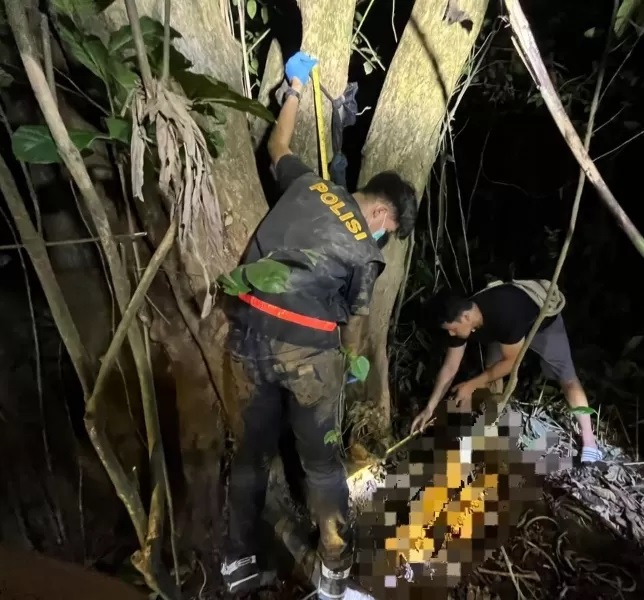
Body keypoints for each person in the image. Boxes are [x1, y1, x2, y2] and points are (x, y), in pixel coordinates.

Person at [222, 51, 417, 596]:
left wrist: (293, 92)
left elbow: (275, 146)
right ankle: (334, 569)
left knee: (252, 455)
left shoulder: (308, 184)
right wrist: (351, 366)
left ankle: (236, 564)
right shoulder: (365, 249)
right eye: (389, 230)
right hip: (309, 360)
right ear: (382, 216)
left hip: (247, 339)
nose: (384, 239)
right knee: (323, 465)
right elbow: (354, 324)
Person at [410, 279, 602, 463]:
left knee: (567, 378)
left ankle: (590, 442)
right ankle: (493, 424)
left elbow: (512, 363)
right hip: (505, 333)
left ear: (466, 317)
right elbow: (450, 367)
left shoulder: (503, 314)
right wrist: (429, 408)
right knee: (491, 370)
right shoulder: (465, 318)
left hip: (542, 321)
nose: (451, 334)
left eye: (452, 329)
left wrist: (471, 385)